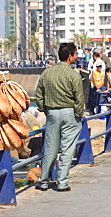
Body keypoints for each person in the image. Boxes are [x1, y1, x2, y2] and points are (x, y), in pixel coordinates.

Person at [32, 42, 85, 192]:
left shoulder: (47, 73)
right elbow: (79, 99)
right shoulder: (73, 75)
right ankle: (62, 183)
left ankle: (43, 181)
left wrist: (44, 109)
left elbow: (39, 95)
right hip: (69, 113)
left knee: (50, 149)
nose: (77, 56)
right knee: (67, 149)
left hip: (52, 113)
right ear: (70, 57)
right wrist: (78, 114)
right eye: (75, 54)